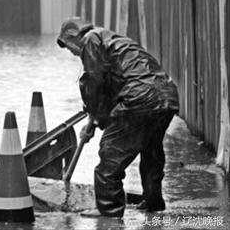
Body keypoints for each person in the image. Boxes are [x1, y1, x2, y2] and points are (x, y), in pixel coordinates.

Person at [57, 17, 179, 217]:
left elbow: (93, 83)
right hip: (166, 96)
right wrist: (95, 120)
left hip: (141, 98)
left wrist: (96, 117)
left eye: (70, 48)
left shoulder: (91, 40)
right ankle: (153, 202)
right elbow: (112, 85)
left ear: (73, 37)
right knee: (151, 150)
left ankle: (109, 210)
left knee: (110, 153)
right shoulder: (113, 40)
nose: (72, 53)